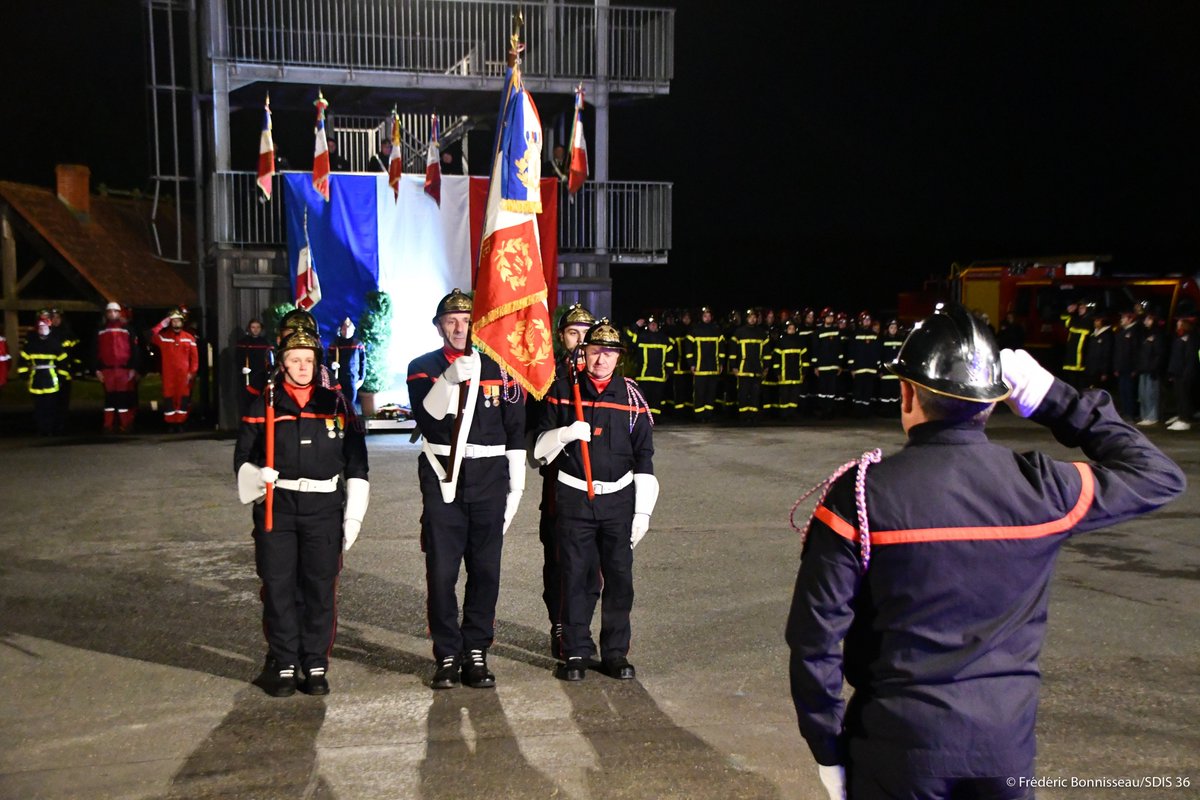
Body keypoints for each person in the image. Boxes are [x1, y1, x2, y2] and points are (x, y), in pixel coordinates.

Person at [786, 302, 1185, 800]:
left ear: (907, 392)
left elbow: (814, 641)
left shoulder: (861, 496)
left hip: (895, 747)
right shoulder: (1042, 489)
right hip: (1004, 748)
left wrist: (827, 749)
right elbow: (1158, 476)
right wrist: (1057, 400)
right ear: (994, 400)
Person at [235, 328, 369, 697]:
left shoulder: (337, 404)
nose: (302, 367)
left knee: (319, 589)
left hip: (324, 508)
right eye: (294, 360)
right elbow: (241, 460)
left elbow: (357, 463)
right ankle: (284, 661)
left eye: (308, 360)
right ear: (281, 364)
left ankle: (314, 663)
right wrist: (256, 476)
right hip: (278, 507)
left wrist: (354, 513)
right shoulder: (264, 403)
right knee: (278, 588)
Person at [407, 289, 526, 690]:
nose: (459, 328)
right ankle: (446, 654)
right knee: (441, 571)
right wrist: (446, 381)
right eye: (451, 320)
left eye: (465, 320)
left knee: (485, 569)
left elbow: (514, 428)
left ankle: (476, 650)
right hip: (444, 477)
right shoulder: (422, 367)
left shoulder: (501, 369)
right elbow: (427, 418)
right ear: (439, 325)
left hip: (490, 477)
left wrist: (517, 482)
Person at [535, 318, 658, 682]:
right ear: (583, 353)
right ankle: (576, 651)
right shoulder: (562, 389)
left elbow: (645, 457)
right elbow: (539, 450)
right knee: (576, 576)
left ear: (619, 357)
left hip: (618, 500)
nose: (601, 359)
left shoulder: (633, 397)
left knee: (619, 579)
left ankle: (616, 653)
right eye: (594, 351)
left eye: (609, 353)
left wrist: (643, 512)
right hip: (574, 497)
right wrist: (565, 433)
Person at [530, 303, 601, 658]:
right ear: (562, 337)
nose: (581, 341)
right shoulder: (549, 379)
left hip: (596, 484)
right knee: (559, 559)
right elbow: (536, 435)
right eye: (574, 333)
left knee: (593, 563)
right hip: (560, 483)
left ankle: (580, 626)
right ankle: (560, 623)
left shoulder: (603, 376)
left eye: (587, 334)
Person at [94, 302, 142, 434]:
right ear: (106, 313)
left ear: (119, 313)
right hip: (107, 369)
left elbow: (135, 350)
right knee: (109, 398)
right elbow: (96, 350)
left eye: (115, 311)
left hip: (124, 369)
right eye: (110, 312)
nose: (112, 314)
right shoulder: (101, 330)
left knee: (123, 398)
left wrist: (134, 368)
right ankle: (108, 425)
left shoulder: (128, 329)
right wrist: (97, 369)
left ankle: (125, 424)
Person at [18, 312, 69, 436]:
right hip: (36, 379)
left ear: (49, 328)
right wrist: (23, 374)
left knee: (51, 406)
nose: (42, 329)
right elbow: (22, 360)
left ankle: (50, 428)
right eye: (40, 327)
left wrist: (62, 376)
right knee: (39, 407)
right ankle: (41, 429)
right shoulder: (31, 344)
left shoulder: (54, 344)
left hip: (51, 379)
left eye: (45, 327)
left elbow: (63, 361)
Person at [150, 306, 199, 430]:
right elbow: (151, 336)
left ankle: (181, 422)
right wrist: (162, 324)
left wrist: (192, 372)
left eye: (178, 321)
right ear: (170, 322)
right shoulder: (164, 337)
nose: (176, 323)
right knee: (169, 398)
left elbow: (194, 358)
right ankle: (171, 423)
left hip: (184, 375)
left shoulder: (189, 338)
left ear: (182, 322)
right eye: (173, 321)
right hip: (168, 375)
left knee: (183, 398)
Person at [728, 308, 769, 424]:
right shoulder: (739, 332)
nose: (752, 319)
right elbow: (733, 352)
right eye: (750, 317)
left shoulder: (762, 333)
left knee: (756, 394)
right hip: (743, 369)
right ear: (746, 318)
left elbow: (766, 353)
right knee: (743, 394)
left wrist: (766, 367)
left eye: (754, 317)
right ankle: (743, 416)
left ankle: (753, 416)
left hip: (757, 369)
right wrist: (734, 367)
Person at [628, 315, 674, 418]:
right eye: (651, 324)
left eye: (655, 324)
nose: (653, 325)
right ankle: (643, 419)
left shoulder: (664, 339)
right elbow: (629, 339)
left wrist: (668, 371)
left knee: (657, 399)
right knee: (644, 398)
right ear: (647, 325)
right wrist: (635, 326)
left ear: (658, 325)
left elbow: (670, 356)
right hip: (644, 375)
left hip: (659, 375)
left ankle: (655, 419)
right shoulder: (641, 337)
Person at [685, 306, 723, 422]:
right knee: (700, 392)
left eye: (709, 316)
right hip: (699, 368)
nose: (707, 318)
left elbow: (721, 349)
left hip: (713, 367)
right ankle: (699, 415)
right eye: (705, 316)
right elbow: (689, 349)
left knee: (711, 392)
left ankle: (708, 415)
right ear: (701, 317)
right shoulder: (695, 330)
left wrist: (720, 364)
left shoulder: (717, 330)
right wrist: (691, 364)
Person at [1165, 317, 1198, 431]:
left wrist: (1187, 374)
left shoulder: (1190, 339)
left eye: (1179, 323)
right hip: (1177, 372)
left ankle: (1185, 420)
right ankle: (1180, 417)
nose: (1177, 324)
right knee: (1179, 396)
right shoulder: (1178, 337)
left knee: (1184, 397)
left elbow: (1190, 359)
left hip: (1184, 373)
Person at [810, 308, 844, 419]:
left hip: (833, 366)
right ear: (824, 318)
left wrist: (840, 364)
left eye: (831, 317)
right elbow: (815, 350)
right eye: (828, 316)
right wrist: (815, 366)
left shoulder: (836, 331)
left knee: (831, 390)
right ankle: (822, 409)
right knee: (822, 390)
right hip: (822, 366)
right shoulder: (818, 332)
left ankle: (830, 409)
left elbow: (839, 349)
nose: (830, 318)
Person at [846, 311, 881, 417]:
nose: (867, 322)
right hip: (859, 368)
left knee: (868, 391)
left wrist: (877, 368)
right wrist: (852, 368)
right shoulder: (855, 335)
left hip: (870, 369)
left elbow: (877, 353)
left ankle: (865, 412)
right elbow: (851, 352)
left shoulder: (874, 336)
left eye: (869, 320)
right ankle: (857, 412)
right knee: (858, 391)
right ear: (861, 321)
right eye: (865, 320)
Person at [1135, 310, 1166, 426]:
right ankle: (1145, 415)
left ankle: (1152, 416)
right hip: (1144, 368)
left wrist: (1154, 368)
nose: (1145, 321)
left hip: (1152, 369)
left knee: (1151, 393)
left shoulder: (1157, 334)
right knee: (1143, 394)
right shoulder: (1145, 333)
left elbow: (1158, 353)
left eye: (1148, 319)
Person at [236, 318, 273, 415]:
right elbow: (238, 358)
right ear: (249, 328)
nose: (255, 329)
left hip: (262, 376)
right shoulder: (243, 342)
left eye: (258, 327)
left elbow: (269, 359)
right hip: (248, 376)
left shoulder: (265, 343)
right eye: (253, 327)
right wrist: (242, 368)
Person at [328, 317, 366, 410]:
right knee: (338, 403)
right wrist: (332, 363)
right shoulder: (335, 344)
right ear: (341, 330)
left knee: (351, 404)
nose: (346, 331)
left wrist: (361, 378)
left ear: (353, 330)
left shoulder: (358, 344)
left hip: (352, 379)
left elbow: (363, 362)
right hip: (338, 378)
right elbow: (328, 358)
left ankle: (351, 423)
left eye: (349, 329)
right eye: (344, 329)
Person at [1110, 309, 1141, 419]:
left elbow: (1136, 352)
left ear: (1130, 319)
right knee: (1123, 391)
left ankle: (1131, 412)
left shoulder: (1134, 332)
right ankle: (1125, 410)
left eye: (1124, 318)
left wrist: (1135, 369)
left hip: (1129, 368)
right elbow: (1117, 351)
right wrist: (1116, 367)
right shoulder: (1121, 332)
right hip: (1121, 367)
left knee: (1129, 391)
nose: (1121, 320)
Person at [1082, 311, 1113, 389]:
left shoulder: (1107, 335)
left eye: (1097, 320)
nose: (1095, 322)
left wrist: (1104, 372)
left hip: (1099, 370)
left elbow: (1107, 354)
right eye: (1095, 320)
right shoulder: (1093, 334)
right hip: (1091, 369)